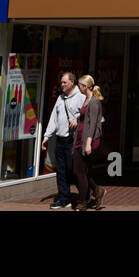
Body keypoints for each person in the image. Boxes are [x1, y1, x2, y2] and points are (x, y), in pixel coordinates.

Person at [42, 71, 85, 209]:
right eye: (61, 82)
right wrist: (46, 136)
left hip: (72, 139)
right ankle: (63, 198)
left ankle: (87, 195)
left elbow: (88, 115)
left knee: (73, 169)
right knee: (60, 170)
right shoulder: (60, 98)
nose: (62, 85)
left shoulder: (81, 97)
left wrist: (77, 118)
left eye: (65, 82)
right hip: (60, 138)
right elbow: (54, 117)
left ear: (72, 82)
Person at [73, 75, 106, 210]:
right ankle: (97, 191)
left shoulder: (94, 102)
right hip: (80, 139)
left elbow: (92, 124)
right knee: (83, 171)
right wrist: (76, 119)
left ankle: (82, 202)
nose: (78, 87)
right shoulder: (86, 99)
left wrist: (88, 143)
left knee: (78, 171)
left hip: (87, 141)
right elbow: (85, 118)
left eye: (79, 85)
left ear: (85, 87)